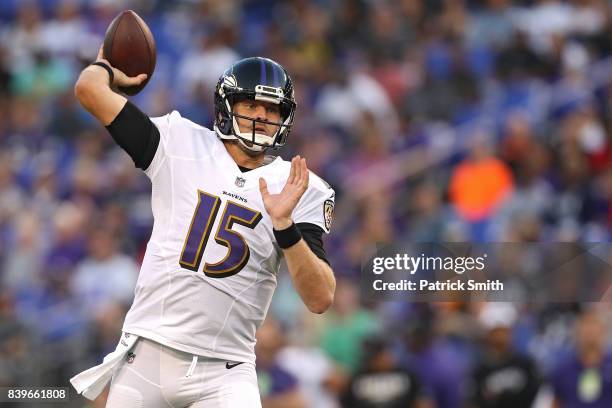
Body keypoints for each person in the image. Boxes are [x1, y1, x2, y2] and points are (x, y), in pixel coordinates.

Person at [69, 46, 336, 408]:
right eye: (251, 105)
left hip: (225, 369)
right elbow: (90, 90)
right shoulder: (179, 142)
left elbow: (320, 298)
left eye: (272, 109)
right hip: (148, 352)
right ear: (227, 107)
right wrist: (106, 67)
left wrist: (285, 226)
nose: (262, 116)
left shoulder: (298, 185)